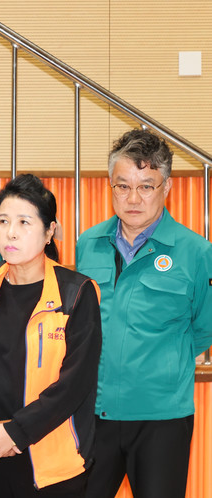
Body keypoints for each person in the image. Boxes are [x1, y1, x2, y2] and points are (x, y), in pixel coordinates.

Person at [0, 174, 102, 497]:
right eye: (3, 221)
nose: (11, 232)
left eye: (24, 222)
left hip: (50, 465)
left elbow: (75, 383)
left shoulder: (76, 293)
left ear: (50, 231)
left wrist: (15, 433)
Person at [76, 129, 212, 498]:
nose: (133, 198)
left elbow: (204, 327)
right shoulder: (88, 244)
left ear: (167, 187)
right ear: (111, 186)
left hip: (162, 419)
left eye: (146, 186)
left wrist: (162, 364)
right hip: (95, 413)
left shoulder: (196, 252)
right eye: (123, 186)